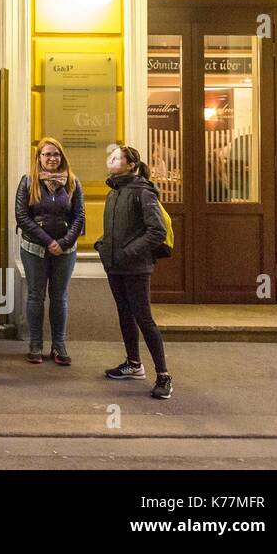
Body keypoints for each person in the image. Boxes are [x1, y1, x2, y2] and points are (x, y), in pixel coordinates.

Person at [96, 144, 173, 400]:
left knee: (144, 318)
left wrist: (129, 252)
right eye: (111, 156)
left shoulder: (143, 192)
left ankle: (163, 375)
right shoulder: (113, 192)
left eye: (117, 157)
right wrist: (103, 246)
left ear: (131, 165)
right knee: (125, 314)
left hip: (136, 266)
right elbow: (117, 229)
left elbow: (157, 231)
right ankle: (133, 363)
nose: (112, 159)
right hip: (115, 265)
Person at [15, 136, 85, 365]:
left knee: (59, 297)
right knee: (35, 296)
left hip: (65, 251)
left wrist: (63, 243)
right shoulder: (28, 182)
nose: (52, 158)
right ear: (39, 158)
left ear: (61, 157)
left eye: (55, 154)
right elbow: (22, 217)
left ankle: (59, 345)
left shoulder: (73, 182)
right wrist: (48, 241)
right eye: (46, 154)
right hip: (34, 248)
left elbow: (79, 217)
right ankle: (35, 344)